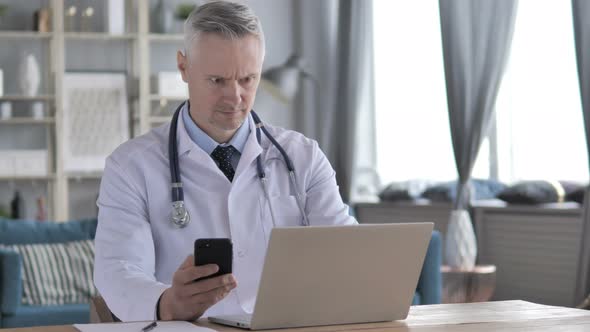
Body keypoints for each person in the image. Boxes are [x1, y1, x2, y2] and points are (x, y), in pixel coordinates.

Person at [94, 0, 356, 322]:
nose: (235, 97)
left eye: (248, 79)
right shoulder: (131, 167)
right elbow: (118, 271)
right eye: (217, 80)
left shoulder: (303, 157)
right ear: (183, 67)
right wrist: (168, 303)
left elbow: (347, 254)